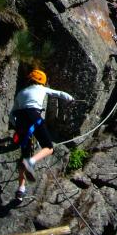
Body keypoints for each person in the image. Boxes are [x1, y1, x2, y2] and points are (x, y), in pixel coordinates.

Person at [10, 69, 74, 202]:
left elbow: (12, 114)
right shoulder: (41, 88)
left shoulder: (21, 92)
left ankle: (20, 190)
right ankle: (31, 162)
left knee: (24, 155)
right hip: (34, 116)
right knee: (49, 147)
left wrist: (17, 126)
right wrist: (70, 98)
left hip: (21, 120)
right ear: (42, 82)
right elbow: (59, 94)